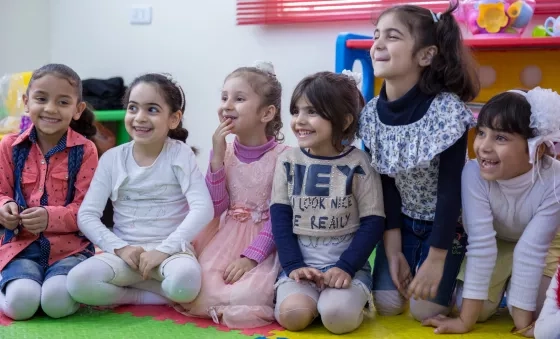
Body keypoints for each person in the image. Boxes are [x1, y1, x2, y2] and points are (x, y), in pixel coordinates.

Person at [358, 2, 480, 321]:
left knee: (423, 311)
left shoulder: (446, 111)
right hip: (402, 225)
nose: (378, 44)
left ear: (425, 55)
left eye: (393, 36)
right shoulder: (370, 115)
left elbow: (450, 189)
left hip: (447, 226)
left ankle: (463, 278)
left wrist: (436, 258)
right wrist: (394, 248)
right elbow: (385, 183)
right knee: (386, 304)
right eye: (376, 36)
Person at [67, 73, 213, 307]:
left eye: (152, 110)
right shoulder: (112, 158)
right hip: (126, 256)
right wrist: (120, 248)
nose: (140, 118)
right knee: (77, 282)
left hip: (171, 255)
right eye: (133, 108)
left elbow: (203, 208)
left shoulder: (179, 154)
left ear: (174, 119)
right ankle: (145, 296)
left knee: (186, 282)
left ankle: (145, 290)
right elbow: (86, 215)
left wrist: (164, 250)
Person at [423, 88, 560, 337]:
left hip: (546, 246)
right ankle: (504, 289)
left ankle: (514, 294)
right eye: (482, 133)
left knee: (542, 315)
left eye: (501, 138)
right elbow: (481, 245)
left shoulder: (555, 180)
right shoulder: (473, 174)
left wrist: (522, 322)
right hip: (497, 241)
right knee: (473, 308)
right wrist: (466, 321)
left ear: (536, 149)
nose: (483, 147)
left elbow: (532, 249)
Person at [271, 71, 385, 334]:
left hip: (347, 269)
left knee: (338, 318)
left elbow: (373, 222)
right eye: (296, 111)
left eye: (311, 112)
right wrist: (294, 266)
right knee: (294, 317)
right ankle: (307, 302)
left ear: (344, 120)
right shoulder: (287, 161)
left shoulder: (360, 163)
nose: (299, 120)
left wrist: (346, 266)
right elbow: (280, 220)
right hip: (301, 267)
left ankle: (339, 303)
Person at [176, 61, 288, 329]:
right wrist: (216, 156)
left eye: (239, 99)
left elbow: (281, 215)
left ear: (267, 113)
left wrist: (251, 257)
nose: (227, 105)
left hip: (266, 241)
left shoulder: (284, 157)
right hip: (225, 236)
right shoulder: (224, 152)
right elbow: (215, 207)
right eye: (224, 97)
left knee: (247, 296)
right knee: (200, 289)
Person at [0, 64, 99, 320]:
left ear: (78, 110)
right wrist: (4, 207)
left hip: (69, 250)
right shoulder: (9, 146)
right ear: (26, 102)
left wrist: (50, 217)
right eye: (41, 99)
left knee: (55, 304)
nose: (50, 109)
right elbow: (0, 192)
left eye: (63, 102)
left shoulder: (86, 150)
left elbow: (88, 210)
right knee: (22, 304)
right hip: (20, 247)